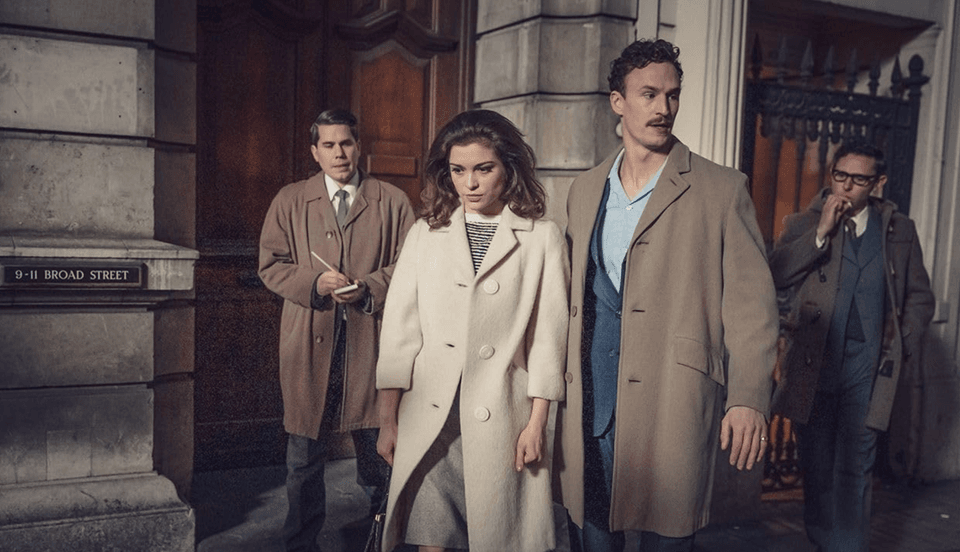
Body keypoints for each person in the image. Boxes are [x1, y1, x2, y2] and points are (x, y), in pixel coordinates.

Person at [554, 38, 779, 552]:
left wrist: (748, 398)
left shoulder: (722, 188)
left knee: (668, 540)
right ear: (618, 101)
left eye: (672, 95)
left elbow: (752, 309)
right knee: (590, 533)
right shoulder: (585, 188)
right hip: (589, 397)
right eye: (649, 94)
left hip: (673, 400)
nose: (663, 108)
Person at [375, 109, 570, 552]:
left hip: (504, 415)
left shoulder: (542, 237)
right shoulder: (426, 233)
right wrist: (387, 419)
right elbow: (400, 335)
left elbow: (547, 341)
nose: (471, 183)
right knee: (430, 538)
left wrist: (537, 424)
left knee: (498, 536)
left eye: (484, 169)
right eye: (459, 171)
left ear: (509, 169)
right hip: (431, 416)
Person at [258, 109, 416, 552]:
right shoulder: (290, 200)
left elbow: (412, 266)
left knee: (377, 450)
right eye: (328, 145)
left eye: (345, 143)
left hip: (371, 340)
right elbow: (270, 265)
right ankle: (300, 543)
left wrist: (369, 287)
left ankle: (381, 539)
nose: (339, 153)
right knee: (304, 456)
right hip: (309, 341)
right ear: (314, 151)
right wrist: (313, 282)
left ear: (358, 145)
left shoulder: (392, 200)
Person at [768, 143, 935, 552]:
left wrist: (903, 341)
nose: (845, 187)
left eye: (859, 180)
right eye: (840, 175)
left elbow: (919, 297)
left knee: (856, 467)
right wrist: (822, 233)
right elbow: (777, 275)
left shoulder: (898, 230)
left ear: (877, 183)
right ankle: (825, 541)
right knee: (818, 466)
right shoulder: (802, 222)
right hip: (814, 364)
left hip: (869, 368)